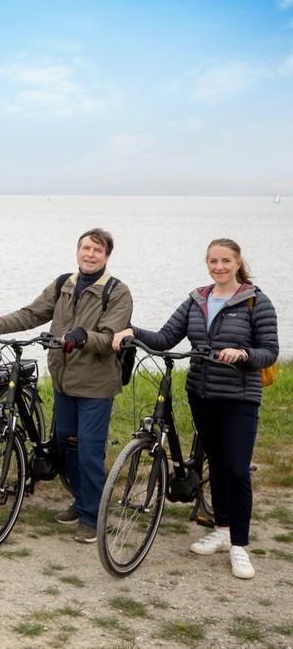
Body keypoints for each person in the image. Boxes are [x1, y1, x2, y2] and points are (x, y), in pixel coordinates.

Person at [112, 238, 278, 579]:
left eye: (225, 261)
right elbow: (165, 337)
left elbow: (269, 351)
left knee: (236, 469)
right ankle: (221, 528)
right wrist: (132, 331)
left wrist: (243, 355)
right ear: (207, 263)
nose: (219, 267)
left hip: (239, 398)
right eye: (213, 261)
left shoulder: (255, 302)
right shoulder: (196, 300)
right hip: (202, 395)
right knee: (216, 463)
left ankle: (240, 545)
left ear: (237, 263)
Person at [0, 228, 132, 544]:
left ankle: (93, 516)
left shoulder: (117, 292)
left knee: (89, 450)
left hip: (95, 386)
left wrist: (82, 336)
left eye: (97, 251)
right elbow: (33, 313)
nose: (89, 254)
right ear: (77, 251)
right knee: (66, 446)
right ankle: (82, 500)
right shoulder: (65, 284)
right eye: (85, 248)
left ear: (107, 256)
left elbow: (110, 336)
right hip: (63, 382)